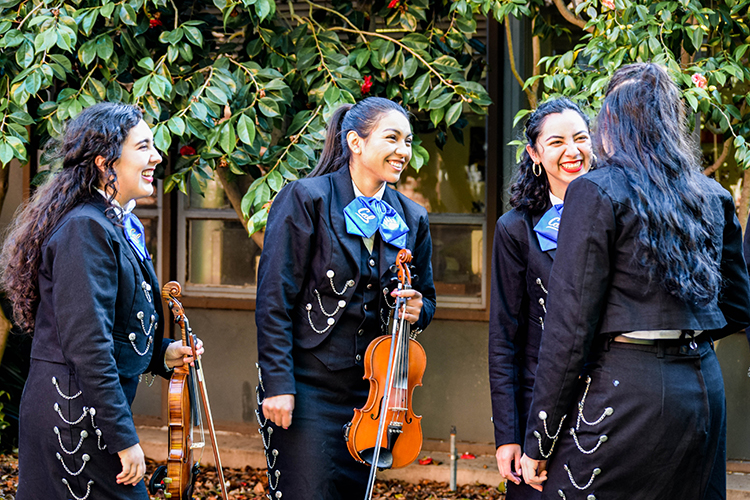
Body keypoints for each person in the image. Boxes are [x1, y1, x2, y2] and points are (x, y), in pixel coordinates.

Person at [519, 63, 750, 500]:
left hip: (627, 384)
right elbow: (738, 307)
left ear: (611, 121)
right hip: (702, 382)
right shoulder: (713, 195)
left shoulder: (593, 191)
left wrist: (539, 442)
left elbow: (569, 330)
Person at [0, 102, 201, 499]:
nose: (157, 156)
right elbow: (88, 346)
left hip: (80, 408)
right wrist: (124, 440)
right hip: (72, 416)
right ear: (105, 162)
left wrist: (162, 354)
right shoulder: (85, 229)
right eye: (142, 146)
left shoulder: (105, 222)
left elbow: (109, 327)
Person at [255, 97, 437, 499]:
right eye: (392, 138)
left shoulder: (413, 216)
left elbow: (427, 299)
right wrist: (278, 384)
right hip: (308, 388)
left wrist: (417, 308)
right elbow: (274, 299)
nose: (403, 151)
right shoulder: (307, 198)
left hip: (374, 396)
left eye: (408, 141)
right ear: (355, 142)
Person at [489, 98, 593, 499]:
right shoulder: (516, 229)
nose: (572, 151)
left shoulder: (620, 214)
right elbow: (504, 336)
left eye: (581, 138)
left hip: (607, 401)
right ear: (534, 152)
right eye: (556, 142)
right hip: (541, 409)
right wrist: (507, 435)